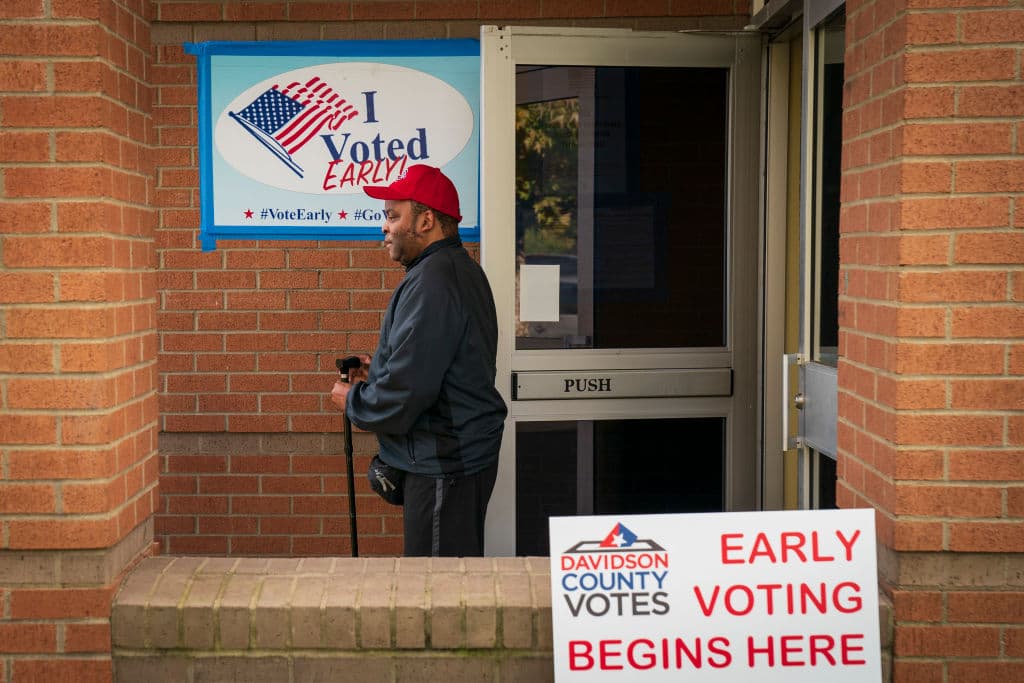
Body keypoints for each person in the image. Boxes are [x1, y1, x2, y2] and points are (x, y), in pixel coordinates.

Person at [330, 164, 507, 557]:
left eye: (394, 216)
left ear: (426, 221)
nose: (384, 227)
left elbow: (408, 391)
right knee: (450, 576)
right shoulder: (454, 269)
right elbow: (440, 362)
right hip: (453, 457)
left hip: (443, 463)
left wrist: (353, 400)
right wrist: (378, 369)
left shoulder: (434, 281)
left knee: (435, 583)